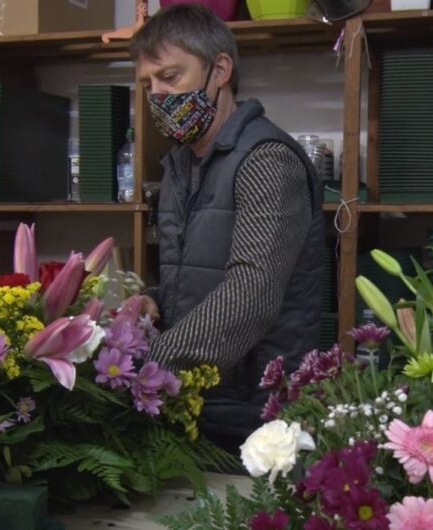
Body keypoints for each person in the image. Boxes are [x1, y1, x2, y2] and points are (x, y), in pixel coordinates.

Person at [129, 4, 324, 451]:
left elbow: (251, 294)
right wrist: (154, 302)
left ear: (219, 70)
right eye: (148, 84)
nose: (157, 95)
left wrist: (145, 365)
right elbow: (199, 275)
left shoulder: (266, 161)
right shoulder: (182, 164)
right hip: (196, 402)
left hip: (257, 417)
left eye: (170, 77)